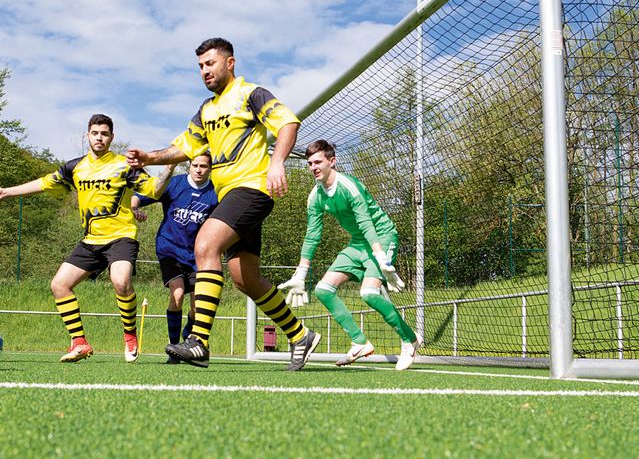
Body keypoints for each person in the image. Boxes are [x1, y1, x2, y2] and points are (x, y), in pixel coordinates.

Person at [126, 37, 319, 369]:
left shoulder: (251, 93)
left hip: (253, 188)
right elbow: (184, 148)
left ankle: (199, 341)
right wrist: (150, 157)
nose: (204, 71)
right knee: (245, 279)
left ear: (230, 63)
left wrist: (277, 163)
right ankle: (300, 335)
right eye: (200, 66)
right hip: (231, 196)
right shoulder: (206, 110)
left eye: (210, 63)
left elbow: (288, 123)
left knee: (205, 245)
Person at [0, 114, 170, 362]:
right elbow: (44, 183)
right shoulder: (74, 167)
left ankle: (130, 334)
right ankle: (79, 343)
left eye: (104, 133)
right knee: (59, 285)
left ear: (112, 138)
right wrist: (6, 192)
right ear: (87, 135)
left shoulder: (125, 166)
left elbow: (154, 189)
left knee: (120, 281)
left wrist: (170, 166)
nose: (99, 137)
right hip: (90, 240)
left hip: (121, 236)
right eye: (95, 133)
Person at [279, 139, 423, 370]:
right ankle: (359, 342)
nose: (313, 167)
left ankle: (410, 339)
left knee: (368, 293)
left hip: (381, 237)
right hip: (357, 244)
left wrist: (380, 256)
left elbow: (366, 222)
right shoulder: (315, 196)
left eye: (318, 161)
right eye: (309, 163)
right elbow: (312, 234)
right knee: (323, 290)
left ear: (332, 161)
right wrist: (300, 273)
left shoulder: (349, 186)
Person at [131, 154, 218, 363]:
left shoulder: (215, 193)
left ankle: (188, 339)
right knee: (177, 294)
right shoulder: (175, 184)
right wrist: (134, 207)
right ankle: (174, 350)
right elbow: (141, 195)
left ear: (210, 169)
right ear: (189, 166)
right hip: (169, 249)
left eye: (203, 166)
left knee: (198, 307)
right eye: (195, 165)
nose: (198, 170)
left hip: (198, 255)